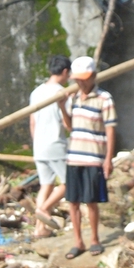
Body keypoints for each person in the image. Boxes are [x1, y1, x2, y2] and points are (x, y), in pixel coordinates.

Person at [62, 55, 117, 257]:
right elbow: (70, 127)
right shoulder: (73, 98)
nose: (81, 82)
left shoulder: (104, 99)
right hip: (74, 156)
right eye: (78, 79)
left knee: (90, 201)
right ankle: (78, 241)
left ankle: (94, 239)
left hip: (94, 157)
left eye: (85, 78)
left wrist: (108, 159)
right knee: (73, 202)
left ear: (93, 76)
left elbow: (111, 131)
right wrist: (61, 106)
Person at [28, 55, 71, 234]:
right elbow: (68, 125)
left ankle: (40, 229)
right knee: (69, 182)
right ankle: (43, 209)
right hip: (55, 144)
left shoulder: (36, 92)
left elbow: (32, 121)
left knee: (46, 185)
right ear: (65, 72)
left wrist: (36, 142)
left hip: (39, 145)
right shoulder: (63, 93)